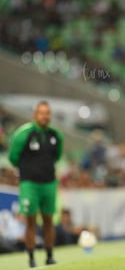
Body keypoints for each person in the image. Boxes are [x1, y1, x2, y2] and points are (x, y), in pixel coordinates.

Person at [8, 101, 63, 268]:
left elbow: (57, 156)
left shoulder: (55, 135)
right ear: (35, 115)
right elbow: (13, 157)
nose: (45, 116)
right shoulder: (24, 134)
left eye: (47, 113)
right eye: (41, 113)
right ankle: (31, 258)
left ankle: (49, 256)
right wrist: (28, 170)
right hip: (29, 184)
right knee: (30, 220)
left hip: (49, 183)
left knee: (48, 220)